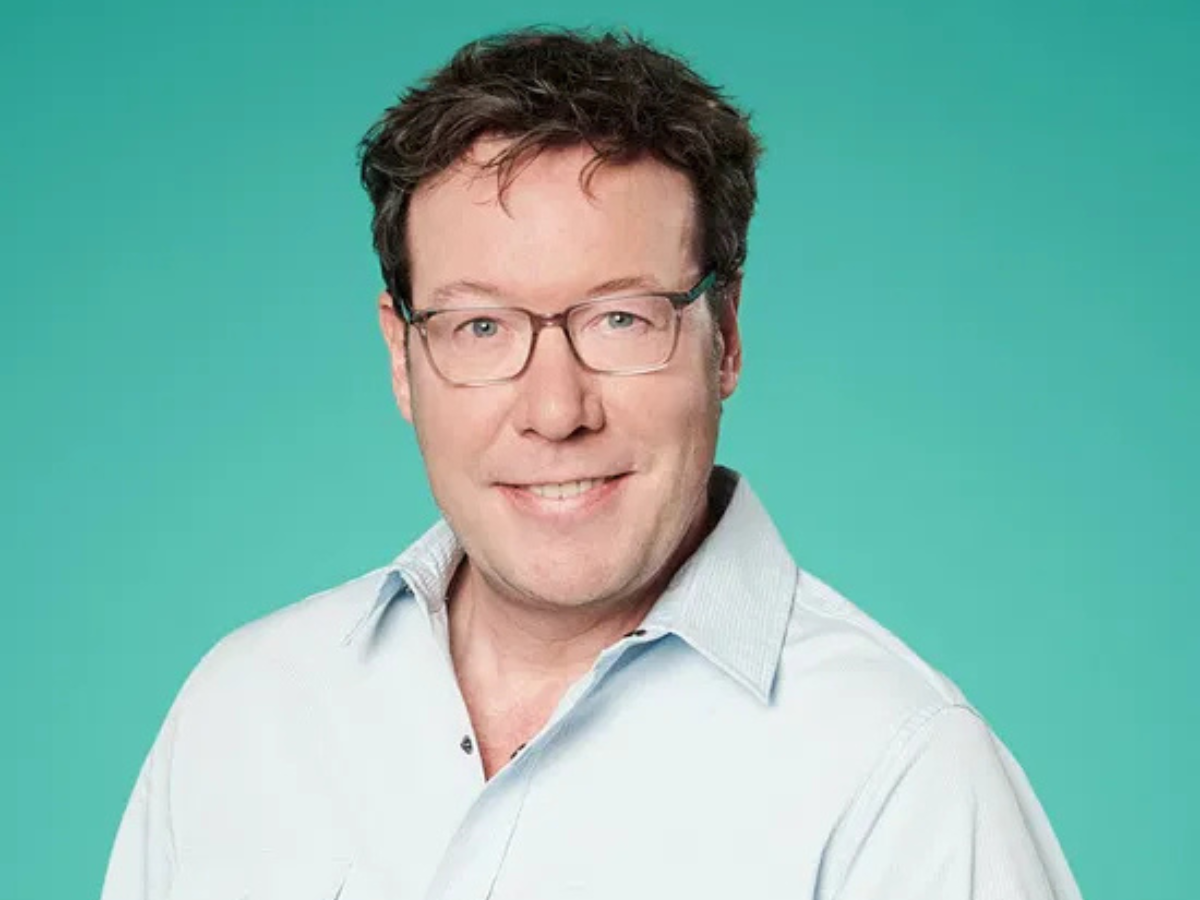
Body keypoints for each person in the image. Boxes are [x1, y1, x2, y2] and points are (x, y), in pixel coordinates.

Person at [101, 28, 1083, 900]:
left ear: (726, 336)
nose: (555, 410)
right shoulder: (243, 711)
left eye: (620, 318)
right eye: (480, 326)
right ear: (403, 357)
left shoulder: (901, 776)